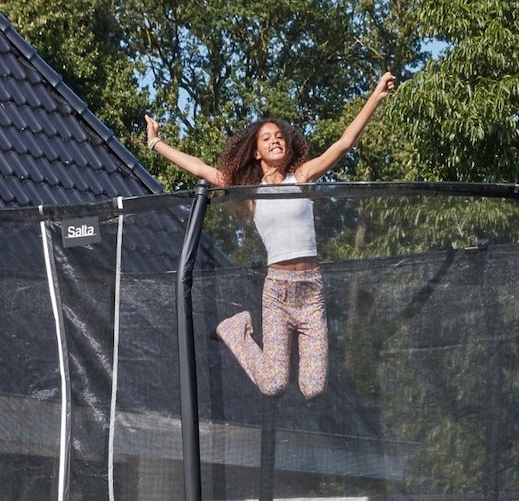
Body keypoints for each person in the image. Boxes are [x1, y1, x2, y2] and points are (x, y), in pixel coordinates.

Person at [145, 72, 395, 399]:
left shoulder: (302, 177)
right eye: (267, 138)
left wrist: (375, 97)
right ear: (256, 153)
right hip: (276, 291)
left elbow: (344, 143)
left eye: (279, 136)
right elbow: (199, 168)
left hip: (311, 291)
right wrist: (156, 143)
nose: (275, 140)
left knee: (313, 388)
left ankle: (252, 338)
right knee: (275, 384)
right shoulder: (251, 193)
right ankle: (235, 330)